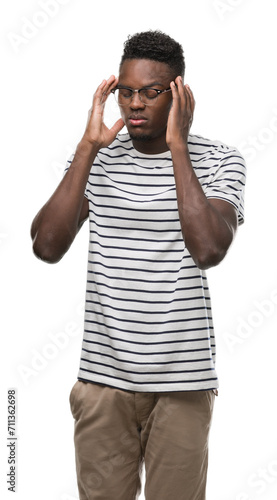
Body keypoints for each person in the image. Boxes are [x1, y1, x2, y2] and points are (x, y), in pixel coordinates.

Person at [31, 30, 246, 500]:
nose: (134, 104)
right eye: (125, 91)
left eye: (150, 92)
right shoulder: (98, 160)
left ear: (179, 93)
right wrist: (87, 149)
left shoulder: (220, 160)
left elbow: (209, 248)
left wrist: (179, 147)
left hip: (184, 384)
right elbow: (46, 246)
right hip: (103, 383)